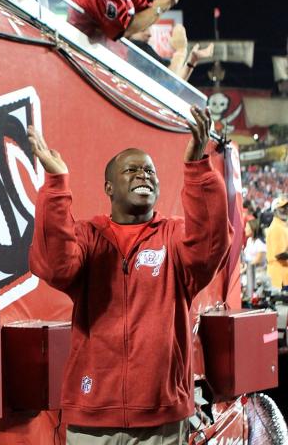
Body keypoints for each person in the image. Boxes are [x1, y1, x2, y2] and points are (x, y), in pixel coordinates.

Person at [28, 106, 228, 444]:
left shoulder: (174, 239)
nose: (144, 175)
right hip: (93, 415)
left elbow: (210, 242)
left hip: (162, 418)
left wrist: (197, 169)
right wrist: (56, 185)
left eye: (150, 171)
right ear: (109, 187)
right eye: (131, 170)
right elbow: (53, 265)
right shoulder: (88, 237)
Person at [128, 24, 214, 81]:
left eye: (149, 29)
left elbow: (175, 83)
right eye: (143, 29)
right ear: (130, 31)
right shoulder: (137, 46)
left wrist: (192, 60)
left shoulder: (134, 49)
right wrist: (181, 50)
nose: (149, 34)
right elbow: (169, 76)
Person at [265, 196, 288, 288]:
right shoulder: (276, 228)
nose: (285, 210)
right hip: (280, 276)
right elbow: (279, 254)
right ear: (274, 211)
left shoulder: (282, 226)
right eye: (282, 208)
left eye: (286, 207)